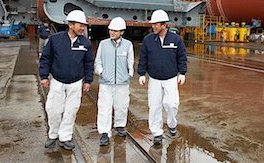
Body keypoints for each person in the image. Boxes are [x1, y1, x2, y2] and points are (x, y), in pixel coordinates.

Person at [39, 9, 94, 150]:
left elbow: (88, 63)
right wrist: (44, 76)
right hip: (57, 81)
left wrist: (88, 80)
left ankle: (65, 137)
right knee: (53, 110)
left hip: (75, 83)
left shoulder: (85, 43)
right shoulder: (55, 39)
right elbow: (46, 58)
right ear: (71, 25)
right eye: (80, 25)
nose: (83, 28)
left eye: (84, 25)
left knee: (71, 110)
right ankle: (53, 135)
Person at [138, 9, 187, 145]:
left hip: (171, 78)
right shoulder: (148, 40)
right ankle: (157, 133)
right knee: (154, 107)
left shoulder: (176, 39)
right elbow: (143, 58)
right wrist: (141, 73)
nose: (153, 26)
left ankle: (172, 124)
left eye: (156, 24)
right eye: (153, 24)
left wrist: (182, 73)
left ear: (164, 25)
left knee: (171, 104)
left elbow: (182, 57)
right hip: (154, 79)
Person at [95, 17, 134, 146]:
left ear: (122, 32)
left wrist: (129, 74)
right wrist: (101, 72)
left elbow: (130, 61)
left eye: (115, 31)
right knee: (104, 107)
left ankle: (120, 125)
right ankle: (104, 132)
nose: (112, 33)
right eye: (110, 30)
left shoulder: (128, 45)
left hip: (122, 83)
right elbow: (98, 60)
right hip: (106, 82)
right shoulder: (103, 44)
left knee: (121, 105)